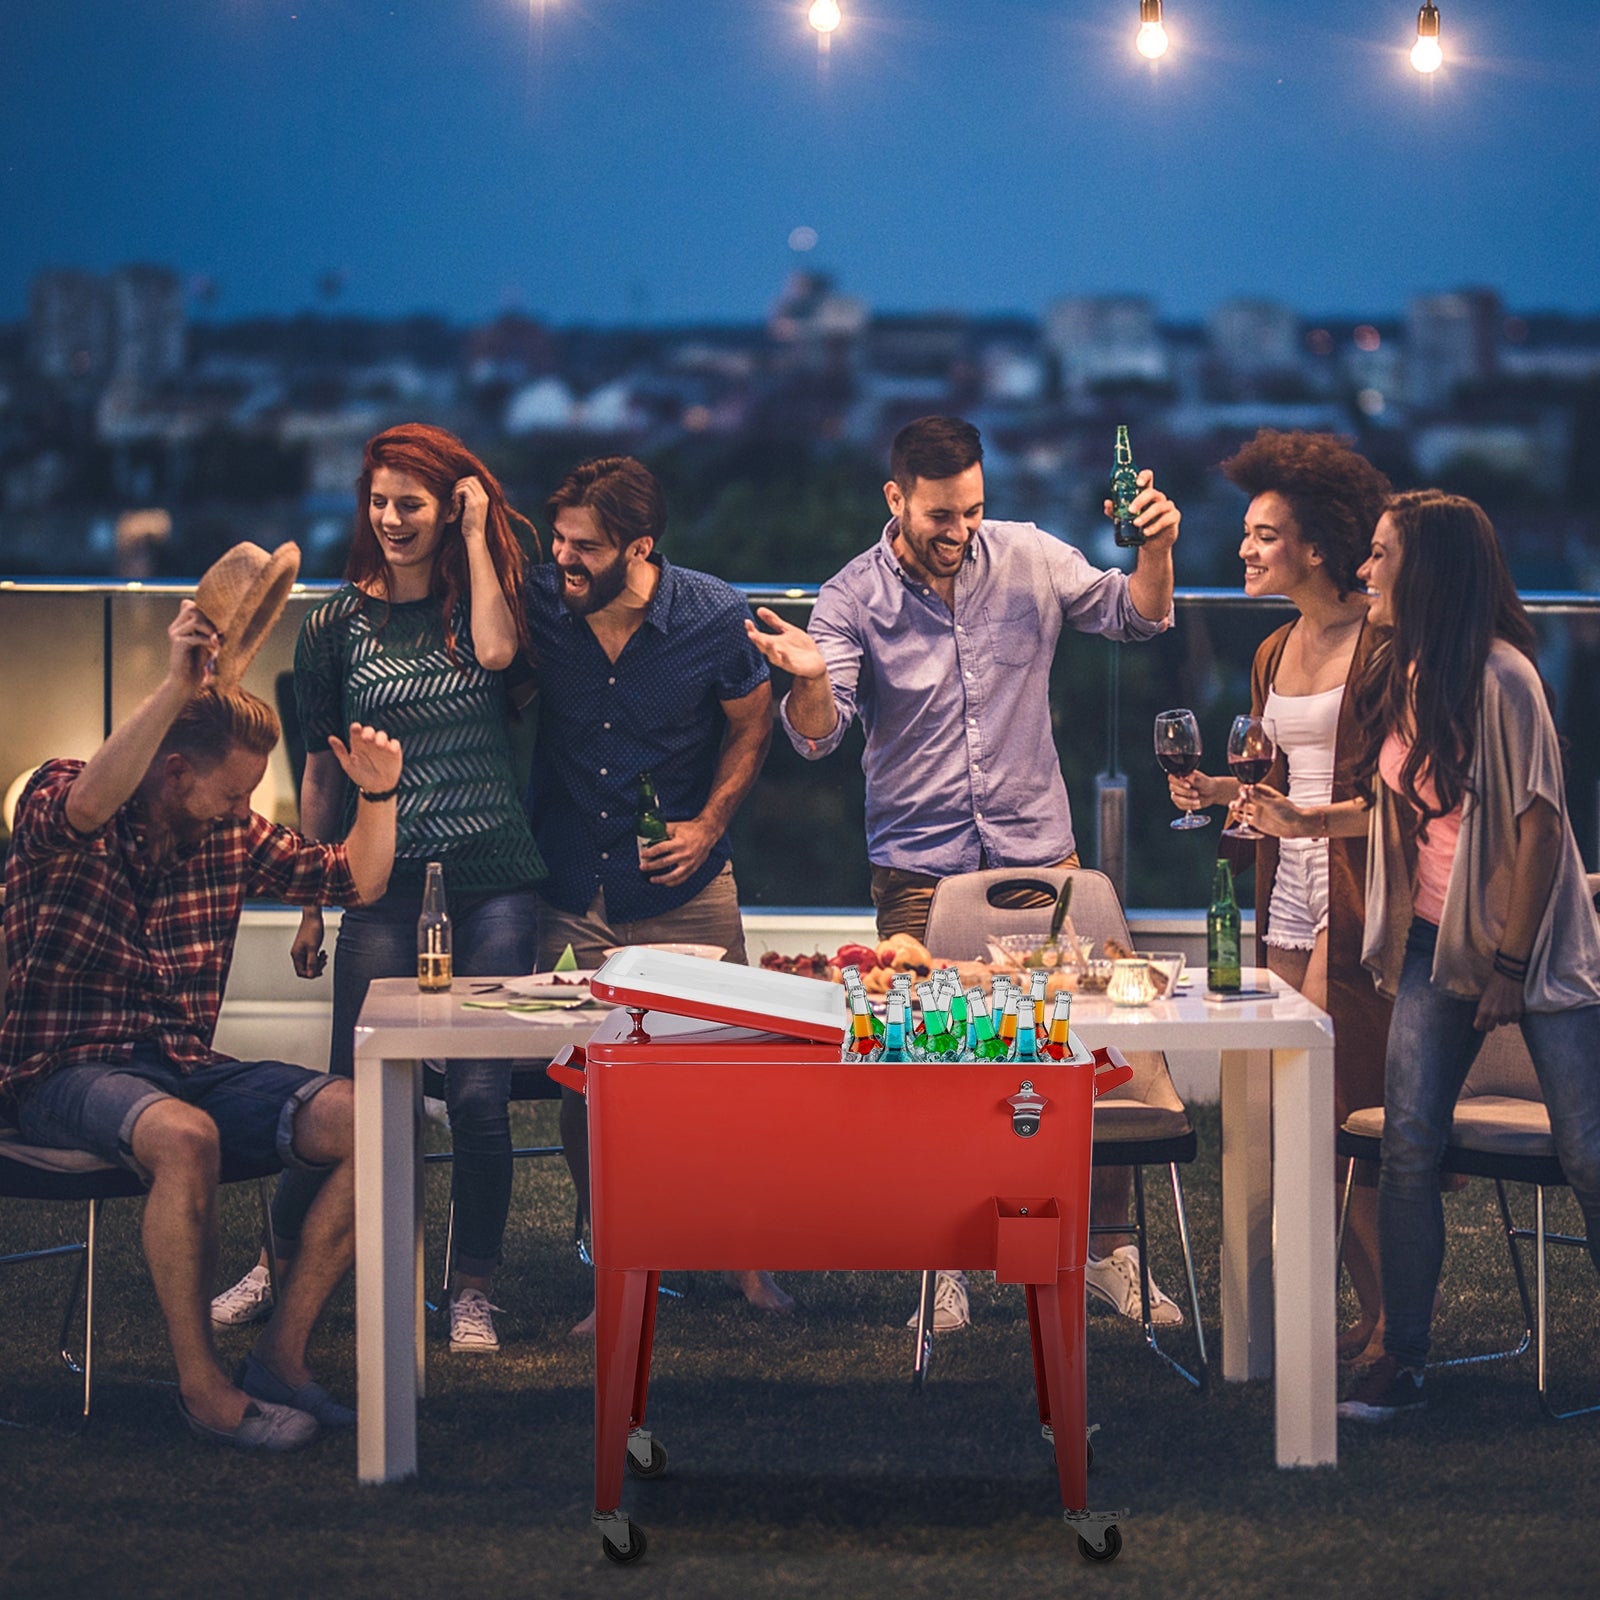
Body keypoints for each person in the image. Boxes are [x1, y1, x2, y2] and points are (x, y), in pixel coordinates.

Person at [747, 414, 1185, 1332]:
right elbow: (817, 735)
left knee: (1095, 1056)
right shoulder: (850, 597)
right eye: (941, 515)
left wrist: (1159, 548)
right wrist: (804, 677)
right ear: (895, 499)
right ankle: (942, 1264)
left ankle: (1107, 1254)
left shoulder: (1027, 554)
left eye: (973, 511)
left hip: (1044, 859)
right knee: (929, 1071)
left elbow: (1135, 616)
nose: (959, 533)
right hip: (920, 870)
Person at [1, 602, 402, 1450]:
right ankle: (204, 1391)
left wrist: (380, 792)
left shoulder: (229, 832)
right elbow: (82, 807)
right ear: (175, 770)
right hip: (58, 1074)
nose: (242, 806)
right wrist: (177, 681)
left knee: (379, 1119)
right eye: (231, 790)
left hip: (179, 1061)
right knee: (185, 1138)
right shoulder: (61, 795)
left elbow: (353, 880)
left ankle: (281, 1362)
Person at [1240, 491, 1600, 1422]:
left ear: (1426, 570)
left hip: (1539, 956)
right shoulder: (1410, 674)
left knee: (1591, 1154)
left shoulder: (1504, 678)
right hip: (1437, 945)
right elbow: (1403, 808)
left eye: (1381, 556)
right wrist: (1302, 818)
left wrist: (1512, 972)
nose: (1365, 571)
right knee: (1404, 1145)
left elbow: (1539, 833)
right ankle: (1401, 1361)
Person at [211, 423, 547, 1356]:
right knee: (349, 1095)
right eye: (380, 501)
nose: (392, 518)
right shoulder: (330, 628)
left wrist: (477, 539)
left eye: (413, 502)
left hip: (493, 881)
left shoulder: (480, 601)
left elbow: (492, 653)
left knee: (478, 1097)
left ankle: (470, 1288)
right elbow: (320, 776)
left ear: (449, 507)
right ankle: (277, 1263)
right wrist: (315, 898)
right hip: (376, 884)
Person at [523, 454, 790, 1327]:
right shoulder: (541, 606)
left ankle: (749, 1264)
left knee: (738, 1076)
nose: (564, 560)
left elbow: (752, 727)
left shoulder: (711, 616)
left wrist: (710, 824)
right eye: (559, 540)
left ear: (640, 548)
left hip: (685, 880)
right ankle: (620, 1268)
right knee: (586, 1083)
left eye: (585, 547)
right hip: (570, 882)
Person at [1166, 429, 1396, 1363]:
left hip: (1357, 899)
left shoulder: (1382, 645)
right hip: (1287, 901)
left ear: (1314, 547)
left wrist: (1304, 819)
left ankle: (1388, 1323)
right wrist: (1220, 795)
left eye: (1264, 536)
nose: (1245, 551)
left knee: (1354, 1124)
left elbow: (1399, 801)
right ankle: (1314, 1316)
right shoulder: (1272, 650)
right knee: (1290, 1117)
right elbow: (1276, 777)